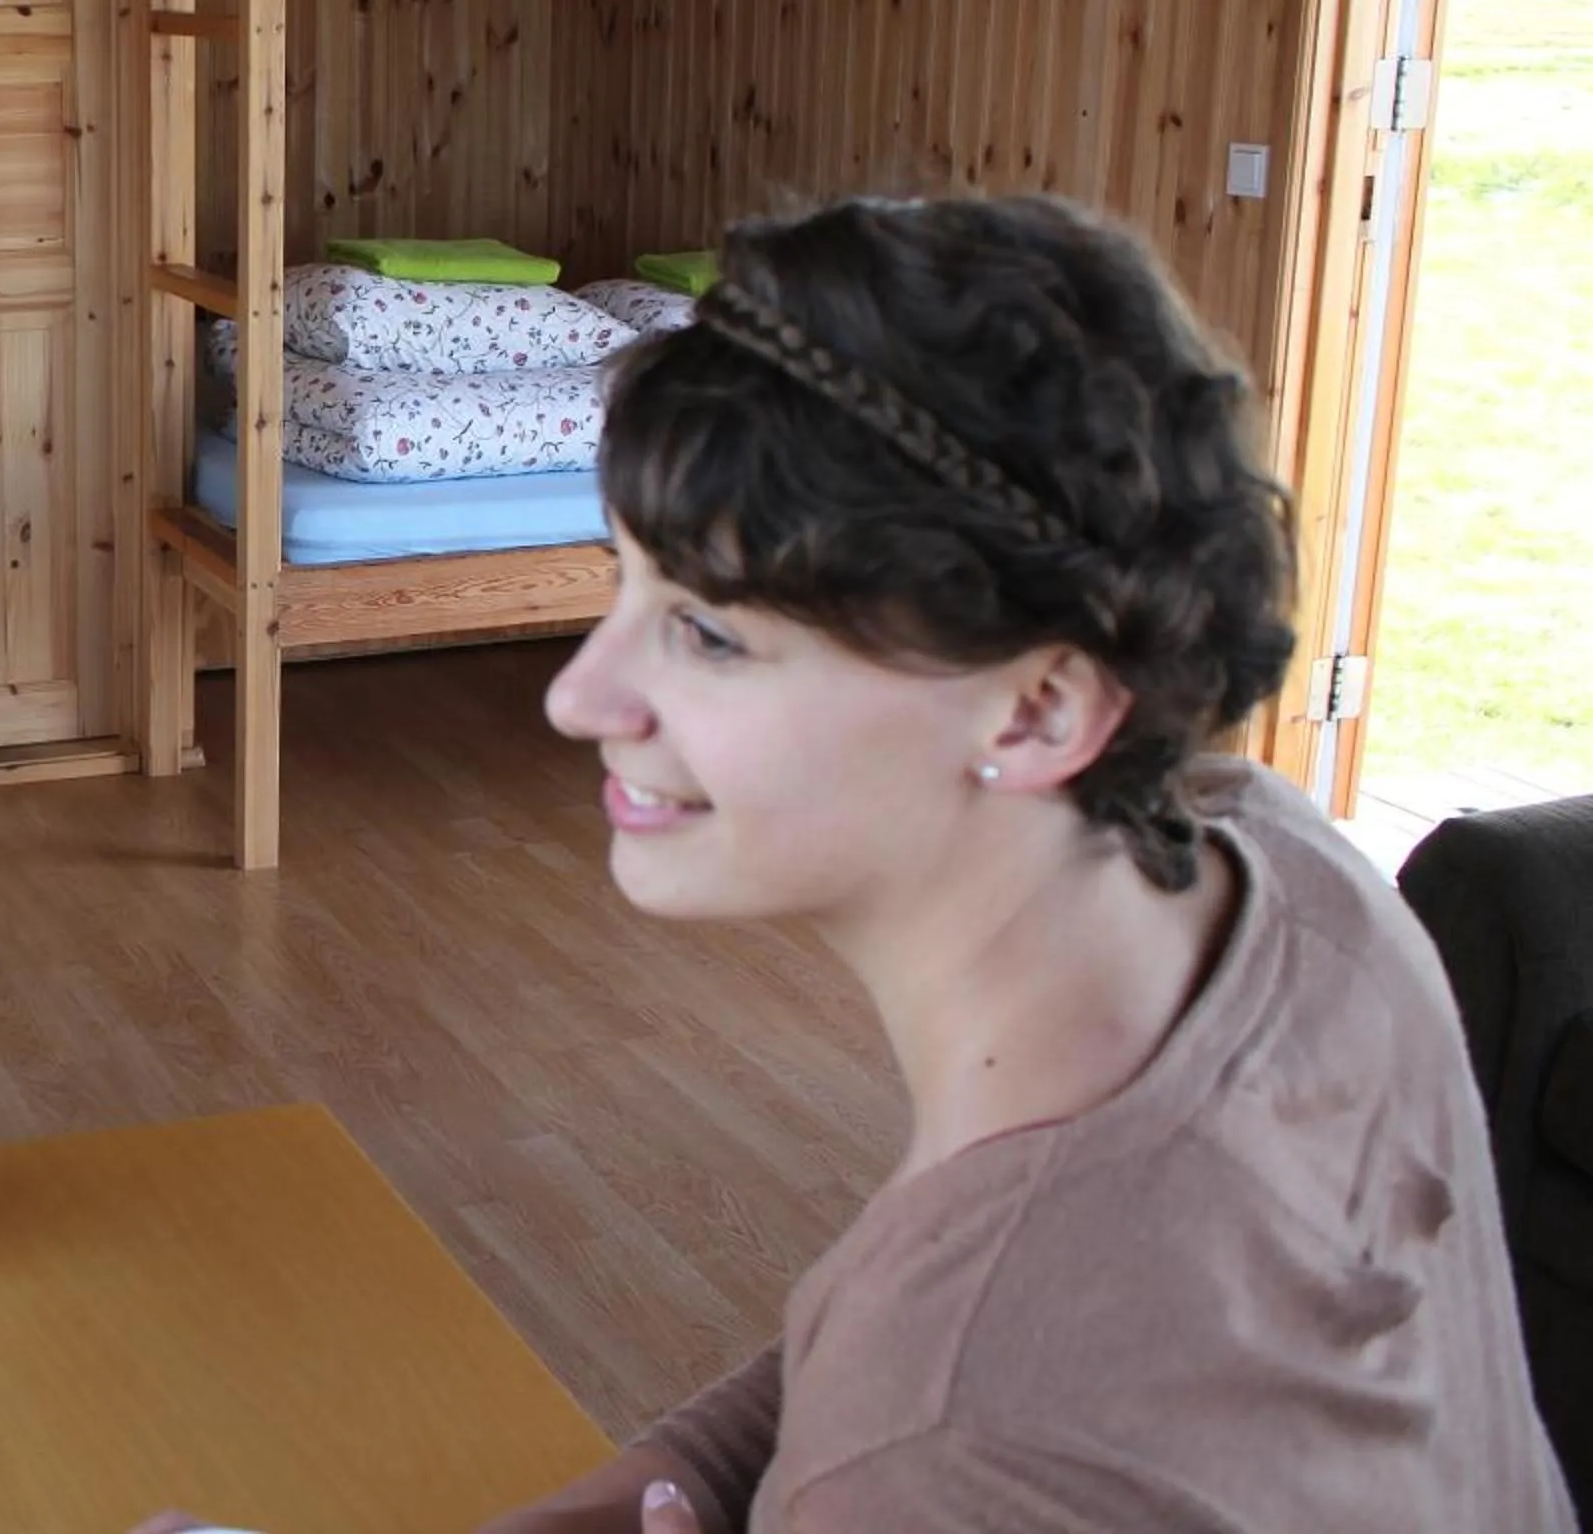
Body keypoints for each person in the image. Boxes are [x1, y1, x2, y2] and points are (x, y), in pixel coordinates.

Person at [487, 196, 1571, 1529]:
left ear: (1039, 709)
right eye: (625, 586)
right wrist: (642, 1491)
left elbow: (955, 1394)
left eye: (709, 636)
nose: (581, 698)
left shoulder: (948, 1445)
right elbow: (933, 1336)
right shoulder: (1284, 868)